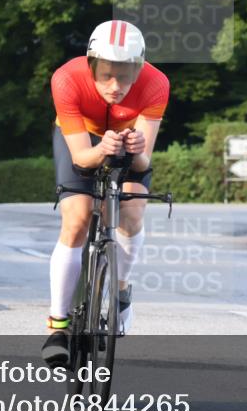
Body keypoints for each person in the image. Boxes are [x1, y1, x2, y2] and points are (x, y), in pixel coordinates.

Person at [41, 20, 169, 368]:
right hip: (82, 139)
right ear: (90, 65)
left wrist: (136, 147)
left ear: (139, 70)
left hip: (129, 141)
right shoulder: (66, 79)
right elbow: (82, 157)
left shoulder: (157, 84)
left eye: (126, 76)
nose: (115, 86)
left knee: (132, 213)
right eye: (105, 75)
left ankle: (122, 289)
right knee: (78, 218)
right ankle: (57, 326)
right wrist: (101, 151)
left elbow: (142, 162)